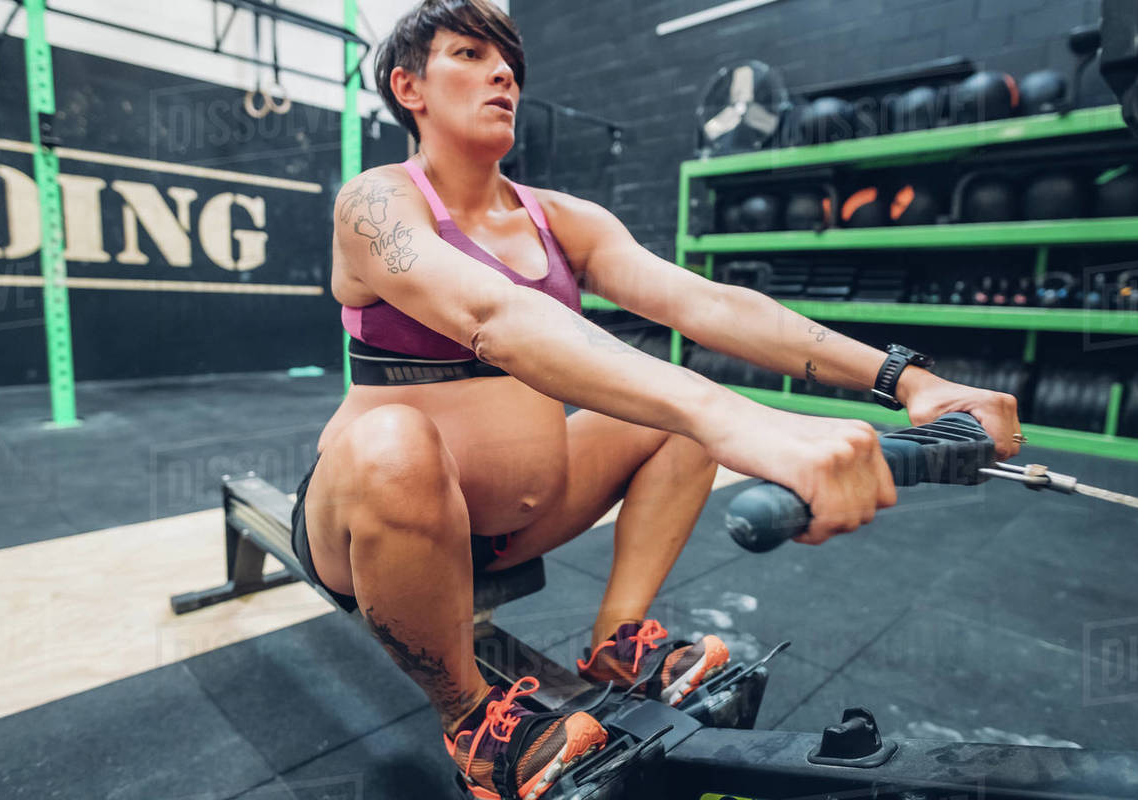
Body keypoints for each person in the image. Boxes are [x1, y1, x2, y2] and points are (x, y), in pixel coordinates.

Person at [290, 1, 1023, 797]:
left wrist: (907, 379)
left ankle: (615, 638)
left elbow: (709, 305)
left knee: (669, 418)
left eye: (509, 62)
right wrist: (746, 422)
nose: (503, 72)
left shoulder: (561, 219)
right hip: (375, 527)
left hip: (516, 524)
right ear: (409, 87)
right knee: (395, 440)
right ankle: (471, 719)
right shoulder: (375, 204)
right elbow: (491, 316)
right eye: (469, 54)